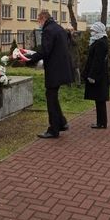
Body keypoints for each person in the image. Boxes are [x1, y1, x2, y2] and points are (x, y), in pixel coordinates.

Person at [26, 10, 74, 138]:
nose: (38, 23)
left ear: (43, 18)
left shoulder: (48, 30)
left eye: (38, 20)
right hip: (62, 68)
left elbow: (45, 51)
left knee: (51, 98)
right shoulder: (58, 28)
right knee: (52, 96)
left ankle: (53, 130)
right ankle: (62, 123)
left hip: (54, 70)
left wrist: (29, 59)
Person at [82, 22, 109, 128]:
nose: (92, 32)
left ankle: (101, 123)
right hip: (99, 75)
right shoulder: (99, 41)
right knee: (99, 99)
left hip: (98, 76)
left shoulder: (101, 43)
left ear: (98, 31)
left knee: (100, 99)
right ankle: (101, 122)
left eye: (93, 30)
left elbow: (97, 61)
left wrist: (92, 75)